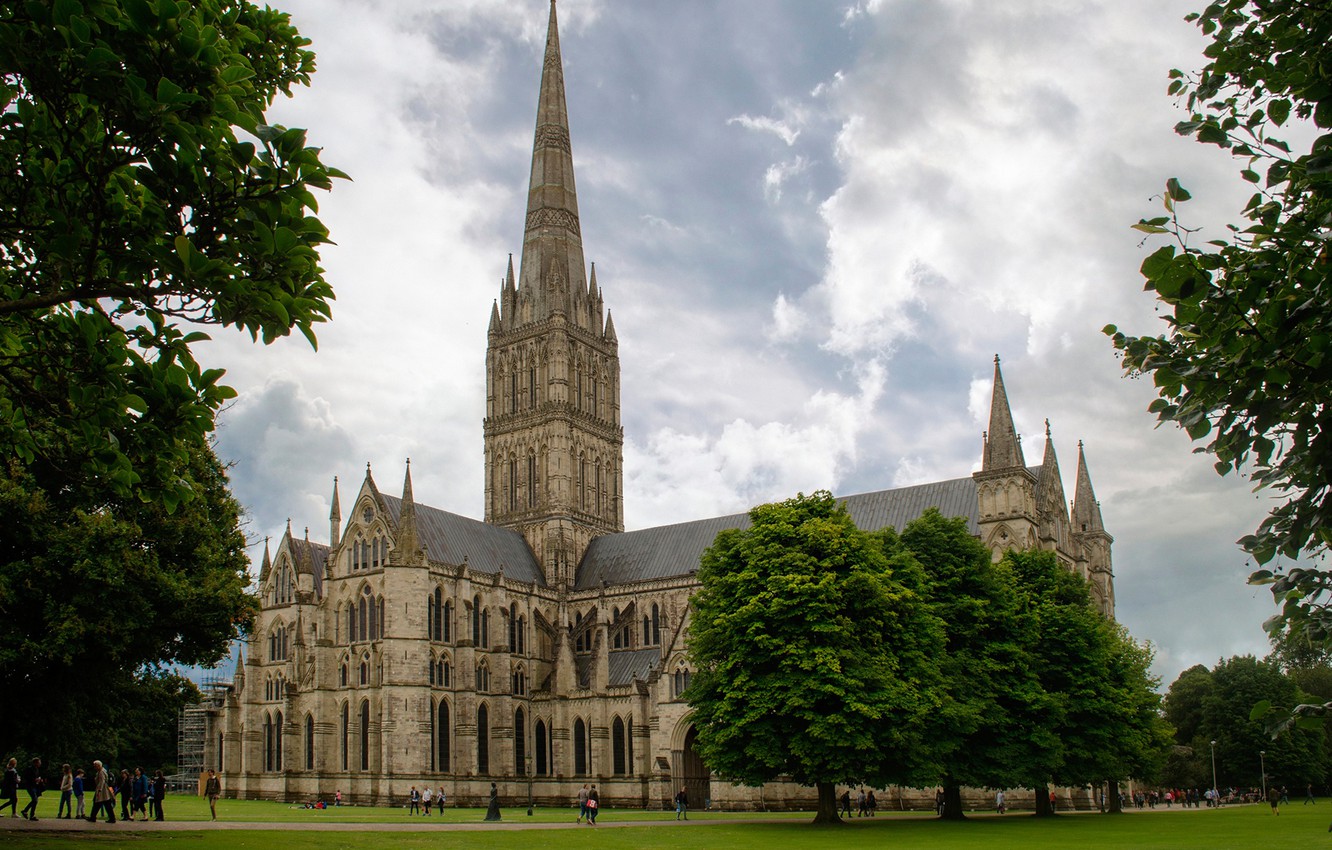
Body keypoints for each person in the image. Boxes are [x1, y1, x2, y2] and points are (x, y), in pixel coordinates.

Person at [19, 756, 43, 821]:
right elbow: (27, 778)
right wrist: (35, 780)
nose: (40, 763)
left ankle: (30, 814)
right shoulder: (29, 769)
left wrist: (39, 780)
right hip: (30, 786)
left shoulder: (36, 769)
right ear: (35, 763)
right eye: (39, 762)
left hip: (35, 786)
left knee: (35, 800)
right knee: (35, 800)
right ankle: (26, 811)